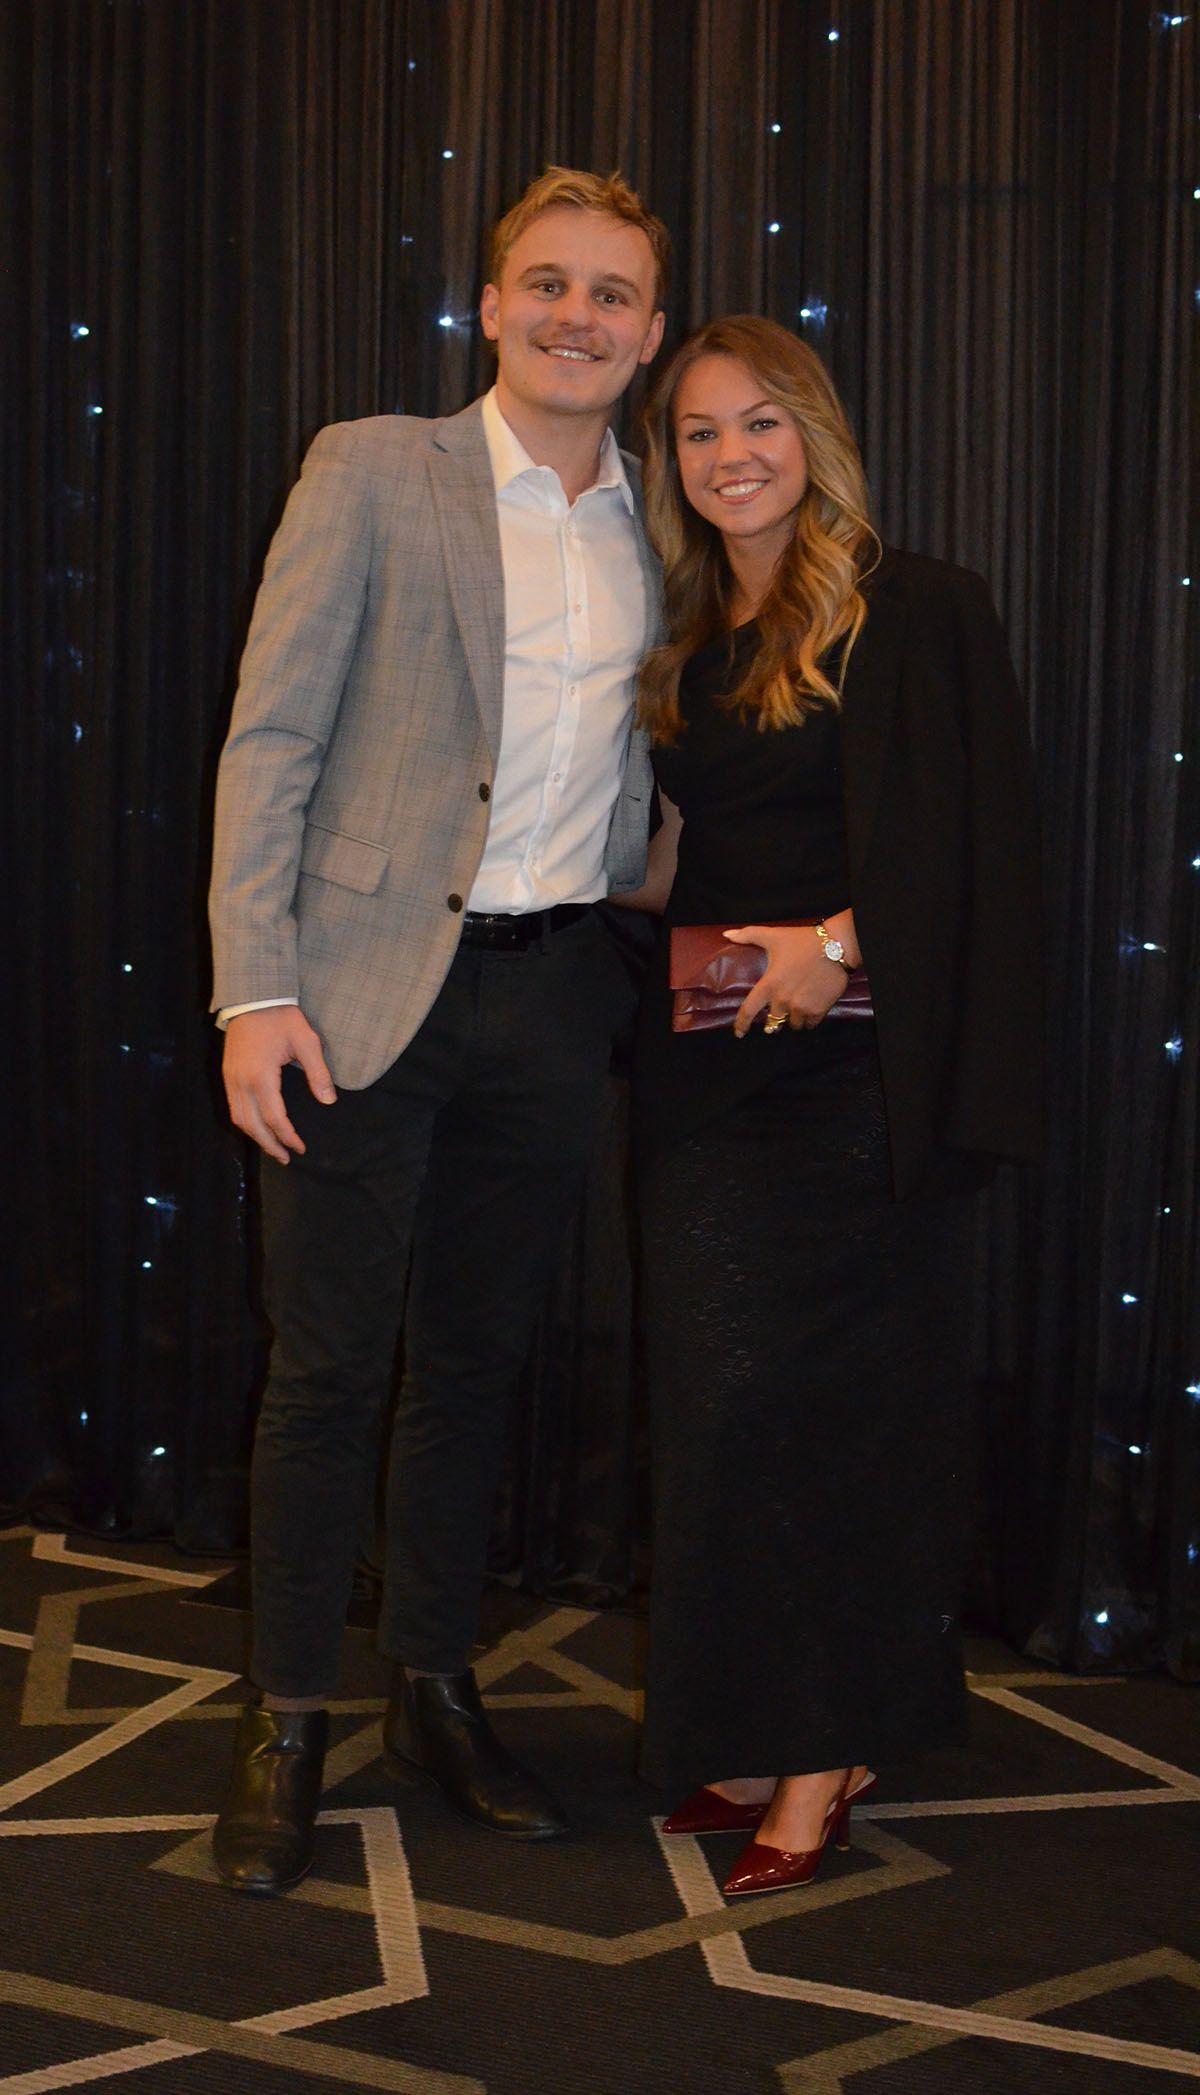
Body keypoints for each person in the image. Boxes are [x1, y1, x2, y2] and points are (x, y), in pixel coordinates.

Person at [207, 167, 668, 1894]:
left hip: (553, 999)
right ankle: (285, 1719)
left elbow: (656, 768)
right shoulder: (373, 467)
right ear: (490, 306)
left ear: (647, 333)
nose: (574, 316)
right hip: (354, 991)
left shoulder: (665, 523)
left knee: (473, 1367)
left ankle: (432, 1690)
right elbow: (271, 739)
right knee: (326, 1370)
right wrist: (255, 988)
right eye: (547, 283)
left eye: (610, 294)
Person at [621, 315, 1042, 1897]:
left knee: (842, 1423)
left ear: (816, 435)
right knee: (722, 1420)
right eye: (700, 431)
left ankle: (821, 1761)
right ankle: (761, 1724)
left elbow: (983, 839)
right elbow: (673, 863)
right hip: (707, 1074)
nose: (731, 456)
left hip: (861, 1078)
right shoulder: (680, 634)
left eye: (760, 423)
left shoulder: (914, 606)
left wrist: (843, 943)